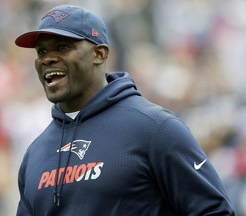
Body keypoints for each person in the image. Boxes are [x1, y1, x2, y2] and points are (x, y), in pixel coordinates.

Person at [14, 4, 235, 216]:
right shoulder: (35, 154)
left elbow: (215, 211)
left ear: (99, 54)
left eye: (63, 47)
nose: (47, 59)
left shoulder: (155, 129)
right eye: (41, 51)